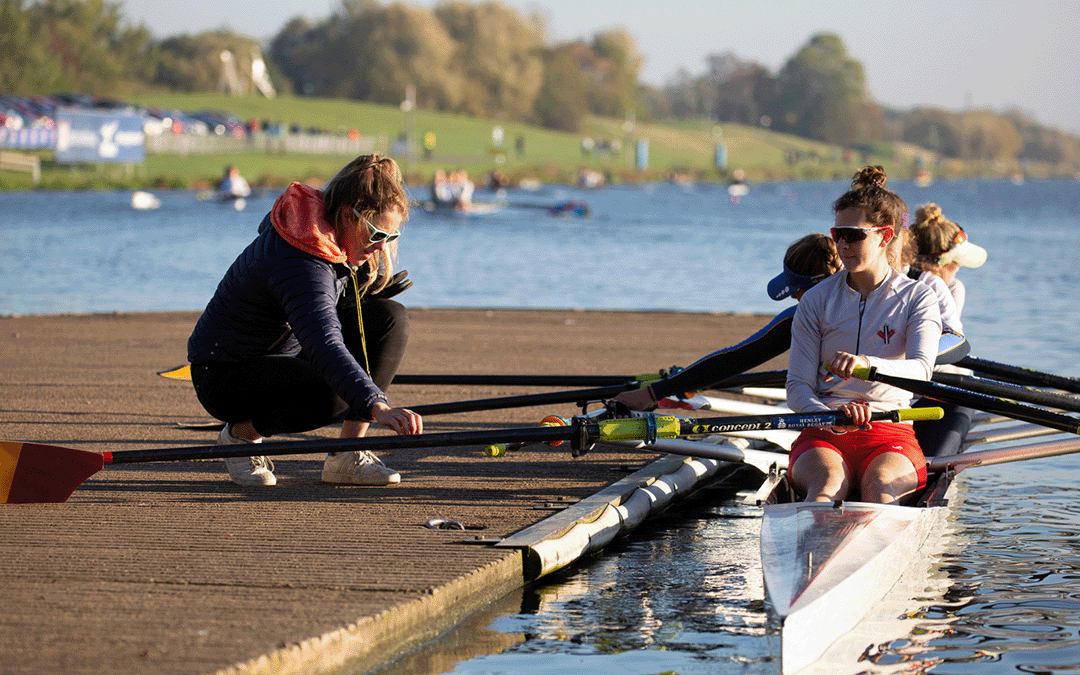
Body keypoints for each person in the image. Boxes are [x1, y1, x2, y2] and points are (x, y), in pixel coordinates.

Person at [187, 153, 422, 487]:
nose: (379, 246)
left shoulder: (330, 236)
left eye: (390, 237)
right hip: (224, 373)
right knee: (337, 394)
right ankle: (239, 437)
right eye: (375, 234)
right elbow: (325, 344)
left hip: (283, 352)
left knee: (389, 318)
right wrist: (377, 406)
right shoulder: (303, 261)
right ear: (346, 215)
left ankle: (348, 454)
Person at [786, 166, 942, 505]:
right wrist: (828, 417)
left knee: (880, 488)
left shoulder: (918, 297)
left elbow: (921, 371)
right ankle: (816, 548)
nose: (842, 244)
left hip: (890, 429)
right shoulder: (817, 300)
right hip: (824, 429)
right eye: (837, 234)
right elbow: (797, 386)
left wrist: (866, 365)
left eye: (853, 235)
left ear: (885, 236)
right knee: (826, 485)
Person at [615, 233, 843, 411]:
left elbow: (736, 358)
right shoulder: (862, 300)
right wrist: (671, 387)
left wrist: (652, 394)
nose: (793, 296)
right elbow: (735, 360)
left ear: (818, 285)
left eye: (797, 290)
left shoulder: (798, 318)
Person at [909, 203, 987, 317]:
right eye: (956, 261)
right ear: (937, 264)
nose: (959, 266)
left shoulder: (893, 281)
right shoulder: (953, 288)